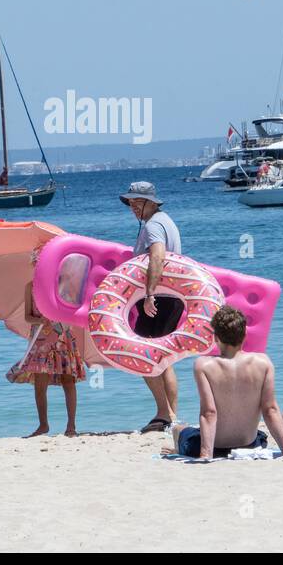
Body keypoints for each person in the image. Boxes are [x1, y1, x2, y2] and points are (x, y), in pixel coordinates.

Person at [173, 306, 283, 458]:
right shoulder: (264, 362)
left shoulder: (203, 365)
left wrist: (205, 454)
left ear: (216, 338)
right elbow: (270, 410)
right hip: (249, 445)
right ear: (245, 334)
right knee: (259, 434)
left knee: (179, 429)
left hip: (215, 448)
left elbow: (209, 412)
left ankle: (177, 447)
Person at [120, 180, 183, 434]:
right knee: (164, 359)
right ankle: (171, 416)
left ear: (151, 202)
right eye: (130, 202)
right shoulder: (166, 220)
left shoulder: (153, 225)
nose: (133, 207)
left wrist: (149, 294)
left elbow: (157, 256)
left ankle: (163, 413)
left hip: (160, 298)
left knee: (142, 355)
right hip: (173, 298)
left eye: (137, 202)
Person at [7, 282, 86, 437]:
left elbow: (73, 310)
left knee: (68, 380)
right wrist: (39, 320)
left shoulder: (64, 286)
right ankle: (43, 425)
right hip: (41, 339)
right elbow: (27, 316)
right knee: (40, 383)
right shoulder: (31, 287)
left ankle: (71, 426)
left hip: (62, 336)